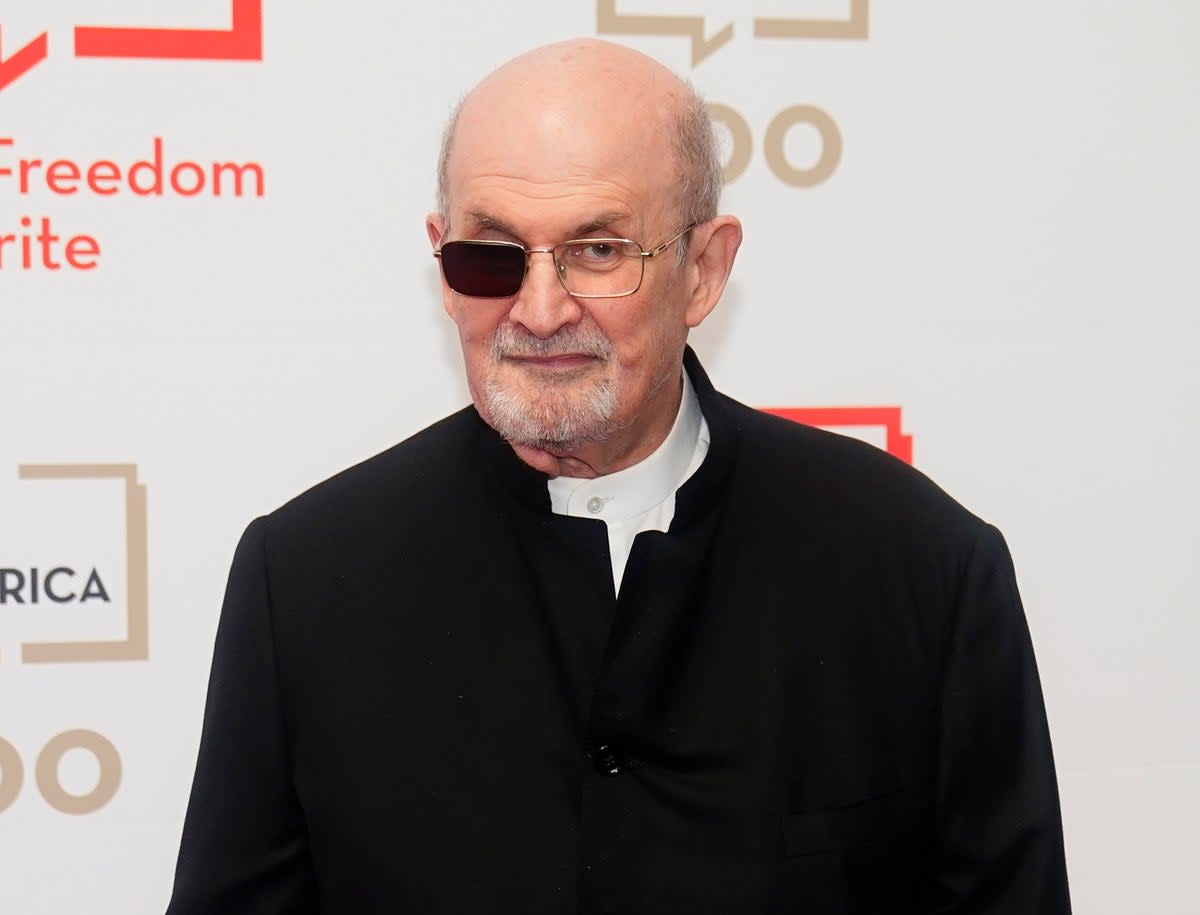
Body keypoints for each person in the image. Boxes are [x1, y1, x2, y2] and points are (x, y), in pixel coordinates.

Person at [166, 38, 1070, 915]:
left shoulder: (921, 568)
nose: (540, 308)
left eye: (598, 251)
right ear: (442, 263)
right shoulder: (308, 578)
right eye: (494, 254)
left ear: (705, 271)